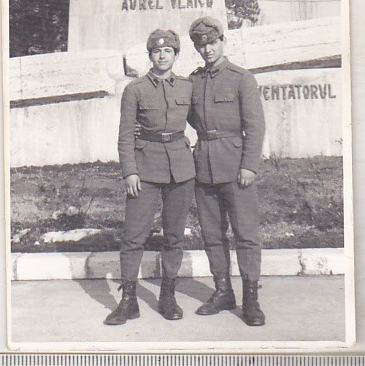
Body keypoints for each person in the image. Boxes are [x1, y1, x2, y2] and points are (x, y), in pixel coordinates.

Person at [105, 29, 195, 325]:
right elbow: (125, 136)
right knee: (133, 236)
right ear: (150, 55)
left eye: (168, 51)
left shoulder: (187, 87)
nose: (162, 55)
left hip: (181, 168)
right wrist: (129, 171)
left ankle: (167, 295)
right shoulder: (136, 90)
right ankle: (128, 300)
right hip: (144, 168)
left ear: (176, 55)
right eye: (156, 51)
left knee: (174, 236)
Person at [188, 16, 266, 326]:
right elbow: (191, 118)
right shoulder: (193, 81)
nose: (207, 49)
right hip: (204, 166)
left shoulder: (241, 78)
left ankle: (250, 298)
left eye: (212, 42)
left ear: (223, 41)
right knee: (212, 235)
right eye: (201, 45)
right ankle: (223, 291)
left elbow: (255, 126)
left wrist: (249, 165)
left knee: (246, 235)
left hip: (236, 169)